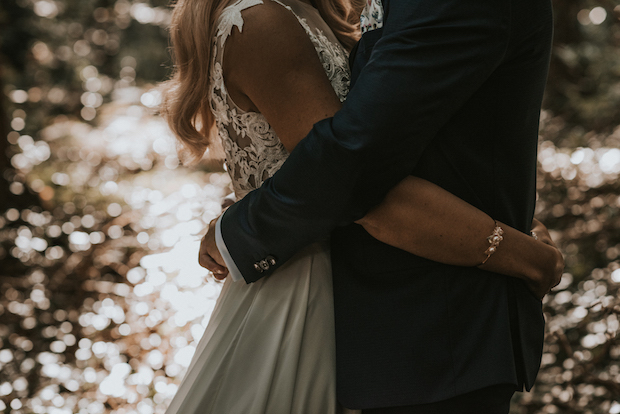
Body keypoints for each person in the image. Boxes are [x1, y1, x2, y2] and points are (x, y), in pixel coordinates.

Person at [163, 0, 561, 413]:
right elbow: (353, 168)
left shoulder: (324, 13)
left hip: (407, 315)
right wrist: (531, 259)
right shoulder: (262, 20)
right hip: (316, 289)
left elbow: (377, 153)